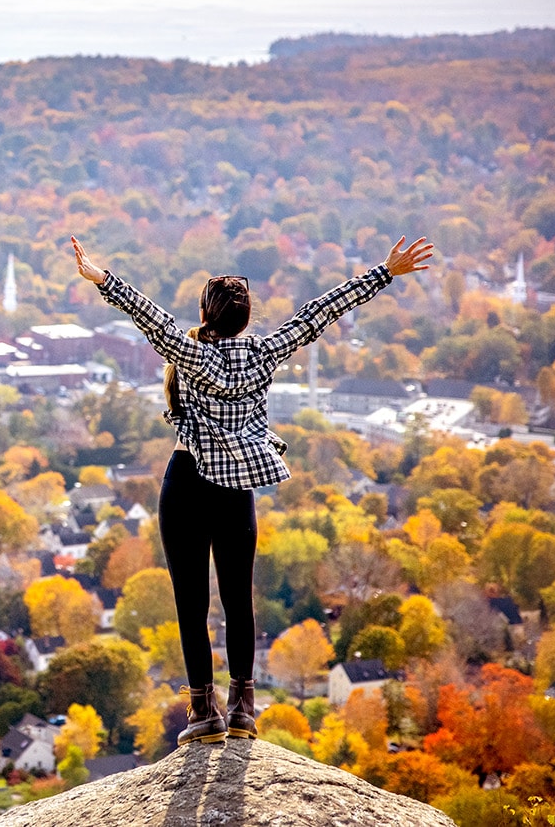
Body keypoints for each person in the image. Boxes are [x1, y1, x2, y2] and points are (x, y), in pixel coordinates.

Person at [70, 234, 433, 745]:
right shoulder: (264, 353)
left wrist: (102, 278)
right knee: (239, 601)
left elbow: (148, 316)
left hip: (188, 485)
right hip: (236, 490)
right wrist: (384, 272)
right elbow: (317, 314)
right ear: (245, 317)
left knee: (191, 604)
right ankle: (243, 706)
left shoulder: (192, 356)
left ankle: (204, 711)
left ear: (206, 313)